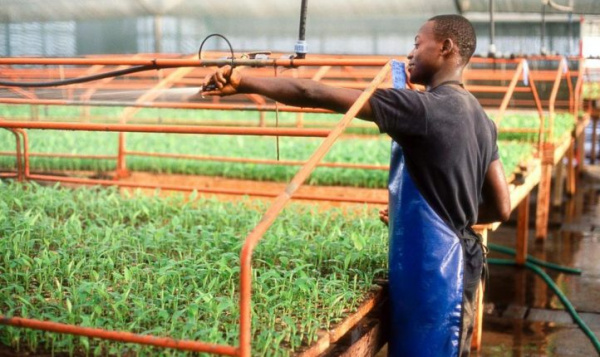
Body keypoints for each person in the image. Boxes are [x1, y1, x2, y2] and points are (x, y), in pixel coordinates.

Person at [201, 14, 510, 357]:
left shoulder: (421, 109)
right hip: (462, 269)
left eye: (417, 44)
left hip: (434, 279)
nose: (410, 53)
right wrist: (439, 217)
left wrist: (245, 82)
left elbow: (311, 91)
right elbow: (501, 207)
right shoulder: (481, 117)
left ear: (446, 47)